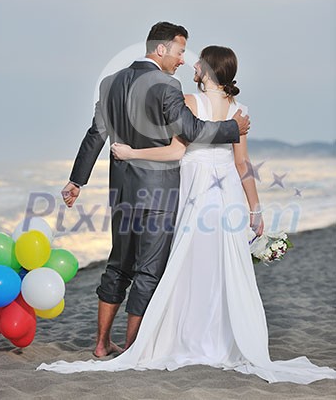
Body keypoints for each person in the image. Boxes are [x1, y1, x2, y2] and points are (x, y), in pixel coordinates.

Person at [38, 45, 336, 384]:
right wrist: (255, 208)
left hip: (194, 194)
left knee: (182, 264)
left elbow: (178, 148)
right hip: (226, 197)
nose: (189, 62)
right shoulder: (240, 110)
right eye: (184, 52)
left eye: (196, 61)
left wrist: (131, 151)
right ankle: (216, 338)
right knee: (219, 267)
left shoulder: (192, 102)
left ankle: (166, 337)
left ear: (207, 71)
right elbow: (243, 165)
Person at [60, 23, 250, 358]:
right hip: (158, 191)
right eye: (179, 52)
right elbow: (191, 129)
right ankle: (133, 347)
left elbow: (96, 134)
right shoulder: (166, 85)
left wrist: (77, 180)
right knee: (149, 268)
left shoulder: (109, 83)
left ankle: (102, 343)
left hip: (121, 190)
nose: (181, 60)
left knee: (118, 264)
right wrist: (231, 127)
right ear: (161, 49)